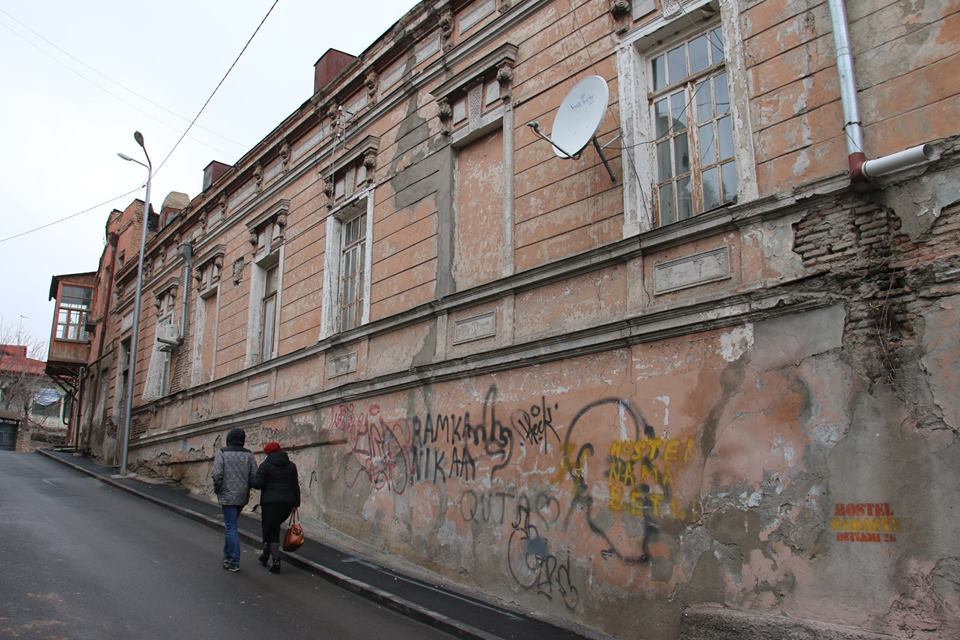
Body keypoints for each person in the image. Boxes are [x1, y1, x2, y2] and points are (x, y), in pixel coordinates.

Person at [211, 427, 258, 572]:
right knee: (231, 524)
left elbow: (217, 473)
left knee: (231, 527)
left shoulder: (223, 452)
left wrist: (217, 488)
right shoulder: (249, 455)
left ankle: (233, 561)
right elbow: (254, 475)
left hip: (227, 495)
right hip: (242, 496)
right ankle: (228, 555)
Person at [251, 441, 300, 573]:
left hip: (270, 503)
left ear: (268, 453)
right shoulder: (291, 466)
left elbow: (258, 484)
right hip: (287, 504)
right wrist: (296, 504)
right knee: (273, 527)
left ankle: (276, 561)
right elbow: (295, 486)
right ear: (280, 450)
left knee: (271, 530)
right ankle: (266, 555)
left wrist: (251, 479)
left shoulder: (265, 465)